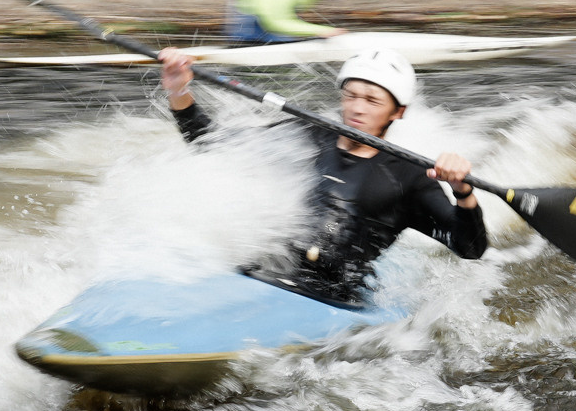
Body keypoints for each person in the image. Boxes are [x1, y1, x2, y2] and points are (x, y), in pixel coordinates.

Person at [157, 44, 486, 308]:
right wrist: (178, 92)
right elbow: (210, 143)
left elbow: (470, 247)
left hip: (329, 299)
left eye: (372, 101)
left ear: (397, 111)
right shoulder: (307, 135)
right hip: (262, 276)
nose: (357, 108)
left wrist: (463, 191)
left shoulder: (409, 177)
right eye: (351, 95)